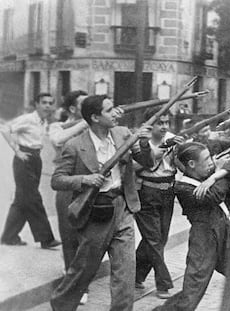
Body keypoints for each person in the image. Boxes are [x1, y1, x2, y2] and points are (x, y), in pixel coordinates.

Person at [50, 95, 154, 311]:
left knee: (126, 274)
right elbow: (57, 180)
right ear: (95, 117)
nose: (115, 113)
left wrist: (144, 143)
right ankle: (61, 304)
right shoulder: (75, 145)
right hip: (95, 212)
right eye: (109, 110)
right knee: (83, 271)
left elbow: (147, 162)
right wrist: (85, 180)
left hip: (123, 208)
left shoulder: (123, 134)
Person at [153, 142, 230, 311]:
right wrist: (223, 174)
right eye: (206, 159)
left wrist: (214, 176)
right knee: (193, 290)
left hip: (228, 233)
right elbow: (214, 196)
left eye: (210, 157)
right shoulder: (183, 187)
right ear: (192, 164)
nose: (211, 162)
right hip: (205, 239)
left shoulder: (209, 175)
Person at [0, 92, 61, 249]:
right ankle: (46, 238)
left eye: (50, 103)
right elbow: (5, 129)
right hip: (24, 159)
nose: (48, 106)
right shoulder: (28, 119)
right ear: (36, 104)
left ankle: (9, 236)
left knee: (22, 199)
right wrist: (17, 151)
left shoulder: (43, 121)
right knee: (33, 198)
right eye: (44, 103)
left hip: (36, 159)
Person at [134, 107, 184, 299]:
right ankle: (163, 284)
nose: (164, 127)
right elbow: (141, 164)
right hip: (147, 191)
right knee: (154, 239)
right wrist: (164, 147)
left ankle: (136, 275)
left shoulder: (173, 138)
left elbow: (179, 165)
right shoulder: (140, 141)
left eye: (166, 122)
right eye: (159, 123)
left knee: (158, 238)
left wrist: (182, 150)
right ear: (149, 124)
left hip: (168, 191)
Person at [48, 90, 89, 304]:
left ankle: (82, 281)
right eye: (85, 104)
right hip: (66, 184)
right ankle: (73, 282)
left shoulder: (95, 126)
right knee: (68, 234)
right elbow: (58, 139)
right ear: (73, 109)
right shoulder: (57, 126)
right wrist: (86, 122)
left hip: (88, 184)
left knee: (86, 236)